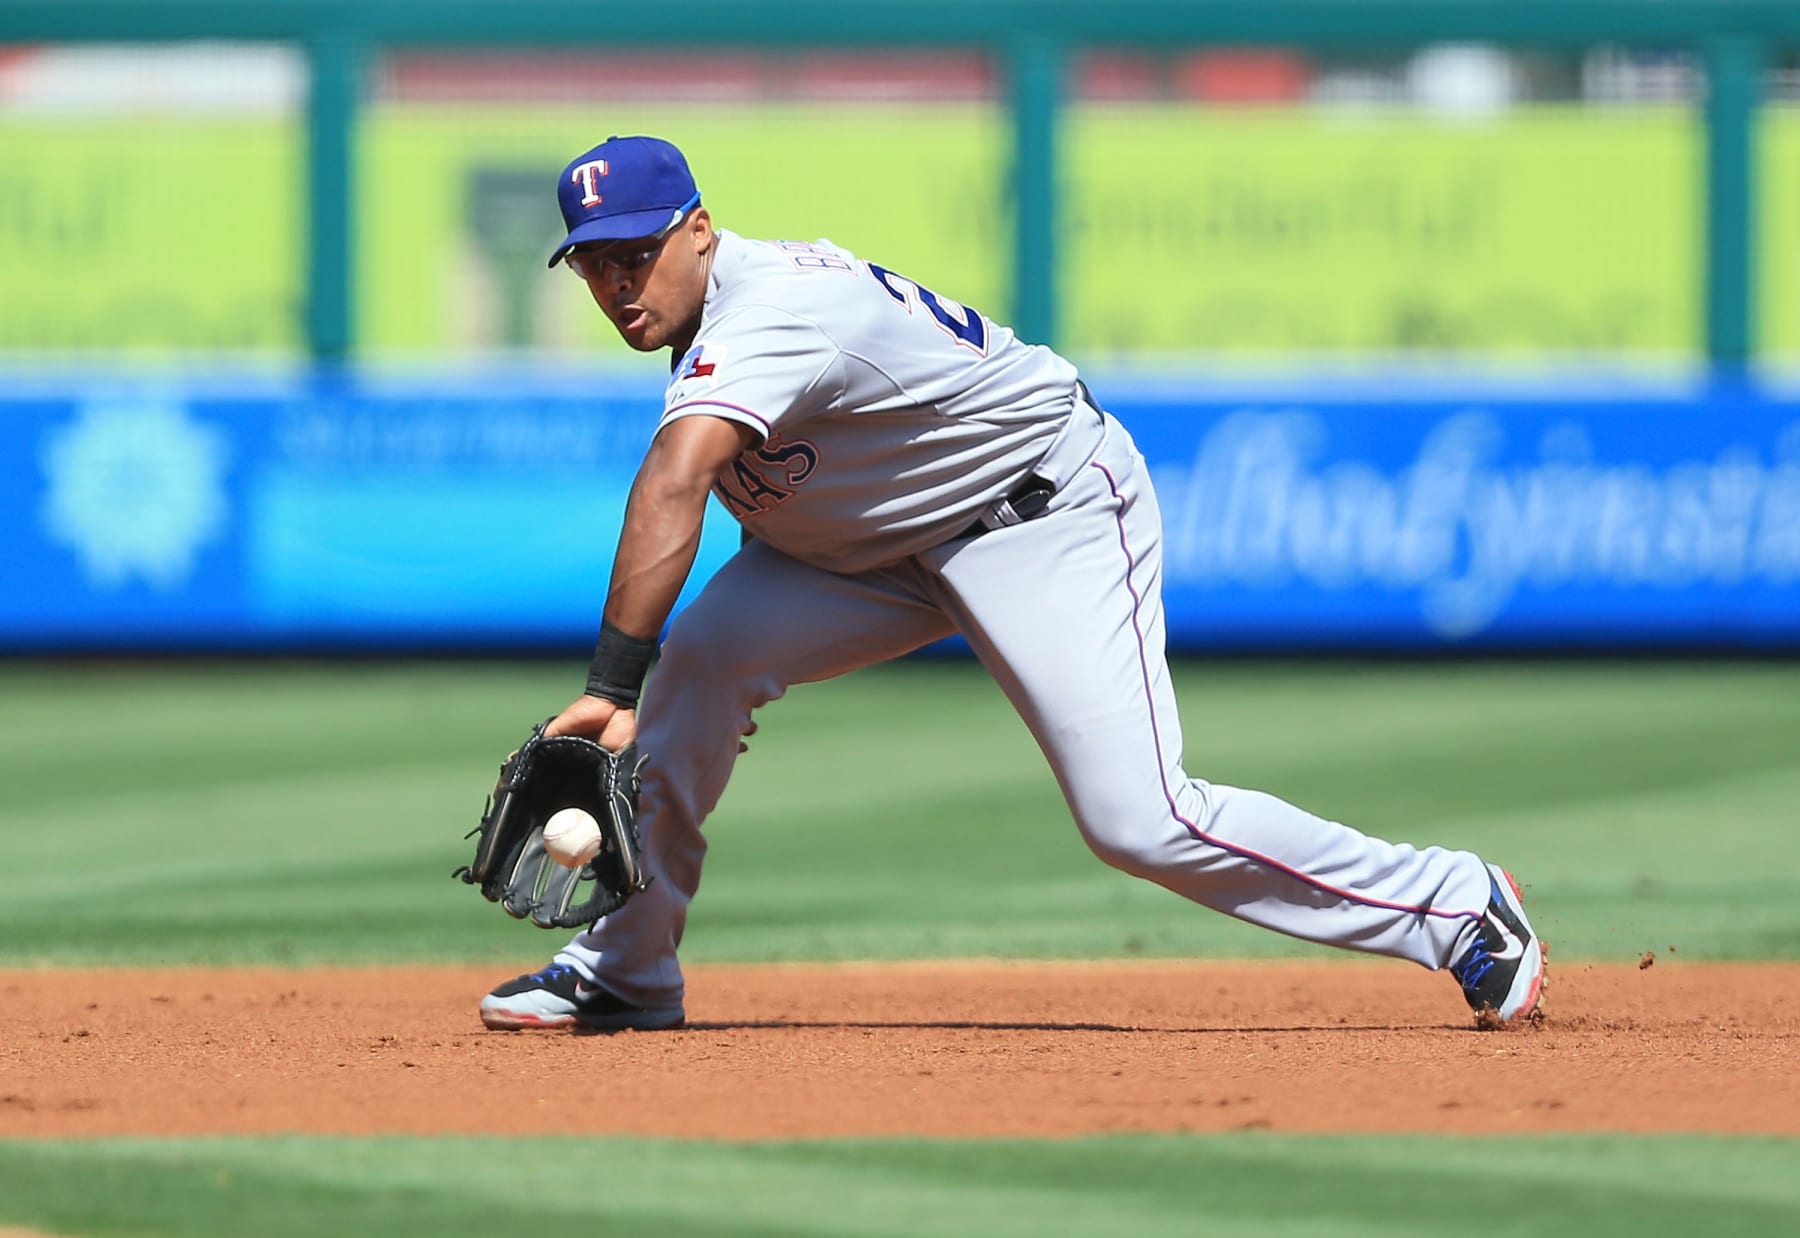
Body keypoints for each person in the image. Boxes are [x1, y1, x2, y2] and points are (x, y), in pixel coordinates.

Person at [478, 135, 1545, 1033]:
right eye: (594, 262)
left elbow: (677, 479)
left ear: (700, 232)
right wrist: (644, 684)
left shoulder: (772, 309)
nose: (619, 282)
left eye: (639, 252)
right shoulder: (708, 320)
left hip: (1040, 515)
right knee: (704, 662)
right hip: (865, 551)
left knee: (1139, 817)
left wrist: (611, 684)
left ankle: (1452, 903)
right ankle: (627, 966)